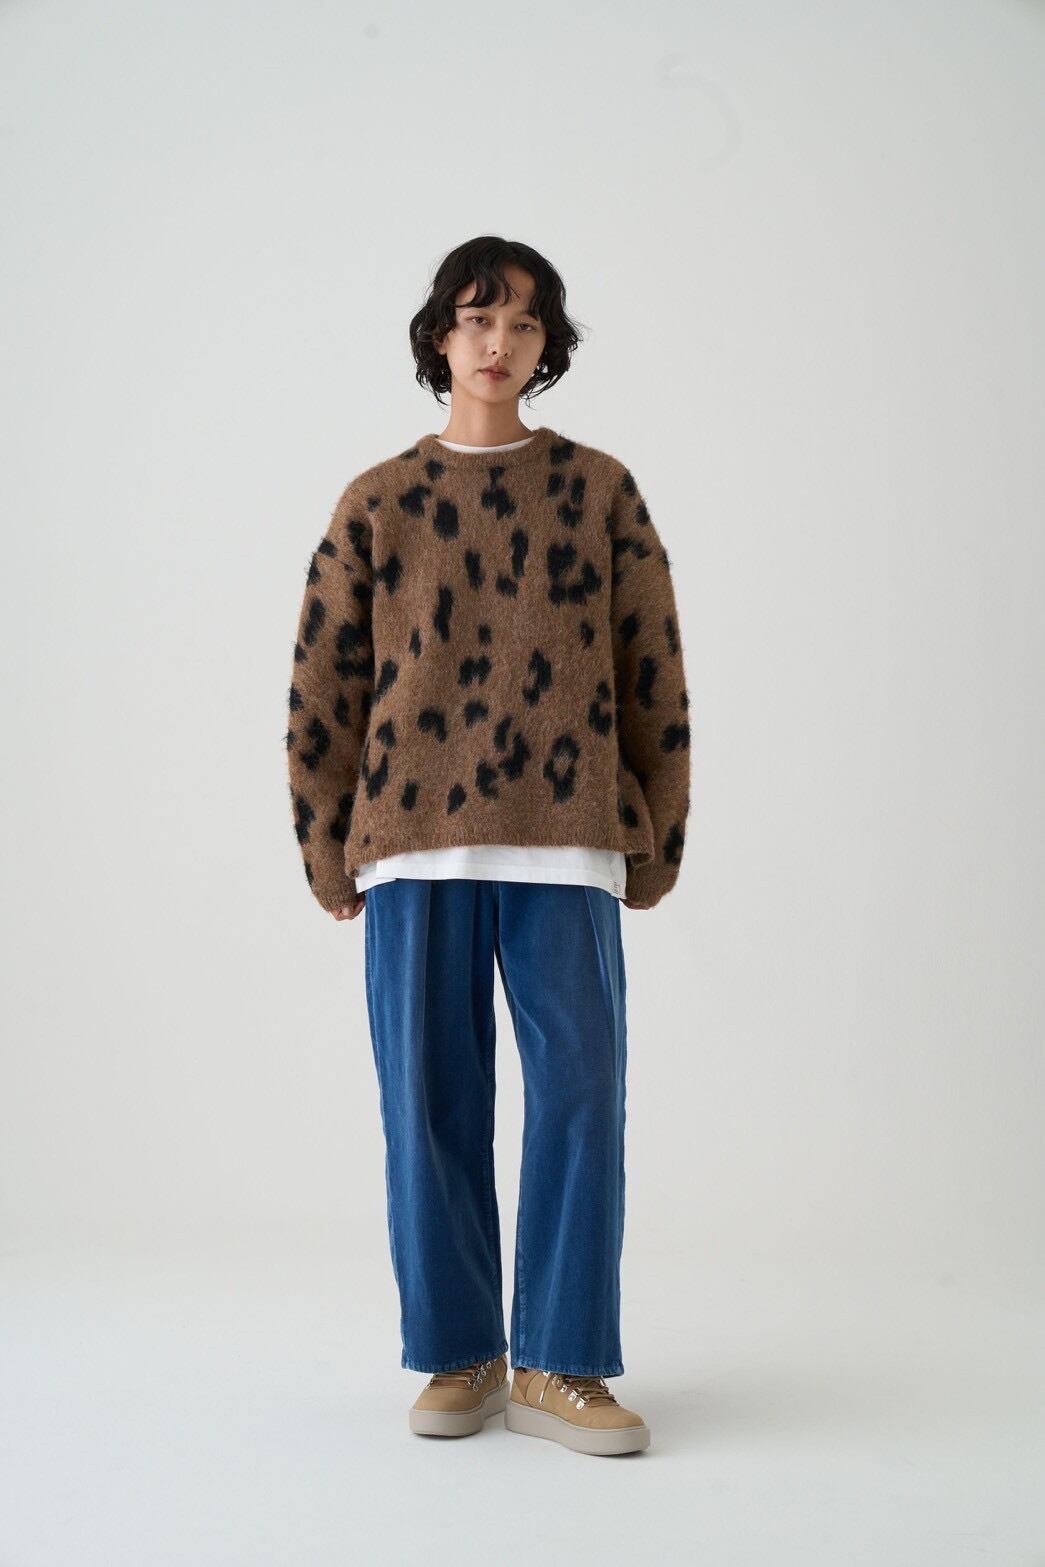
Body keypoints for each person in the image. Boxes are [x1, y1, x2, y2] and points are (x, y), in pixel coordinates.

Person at [286, 235, 690, 1456]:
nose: (497, 342)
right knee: (429, 1105)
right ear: (439, 338)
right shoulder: (378, 500)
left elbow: (653, 670)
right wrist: (324, 845)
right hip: (414, 843)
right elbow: (324, 684)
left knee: (581, 1099)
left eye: (520, 322)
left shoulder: (600, 490)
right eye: (476, 319)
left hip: (567, 843)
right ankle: (461, 1351)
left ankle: (563, 1361)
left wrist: (657, 836)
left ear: (547, 344)